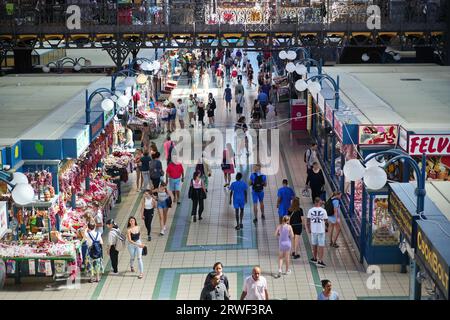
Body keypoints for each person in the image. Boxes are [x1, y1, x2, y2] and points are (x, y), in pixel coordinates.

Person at [307, 197, 328, 268]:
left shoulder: (310, 210)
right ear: (318, 202)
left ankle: (314, 258)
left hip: (313, 230)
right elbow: (326, 220)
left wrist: (309, 229)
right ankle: (320, 261)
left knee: (314, 244)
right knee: (321, 246)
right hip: (321, 230)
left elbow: (308, 221)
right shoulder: (323, 211)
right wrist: (326, 227)